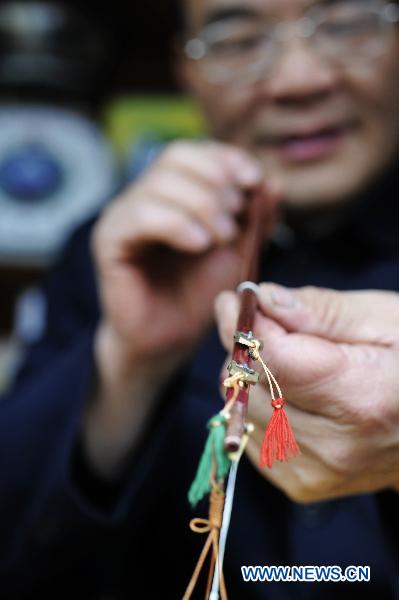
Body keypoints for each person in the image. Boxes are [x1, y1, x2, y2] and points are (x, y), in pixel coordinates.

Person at [2, 0, 399, 597]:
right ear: (186, 71)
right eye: (238, 40)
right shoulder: (118, 253)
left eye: (346, 25)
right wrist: (128, 365)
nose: (299, 80)